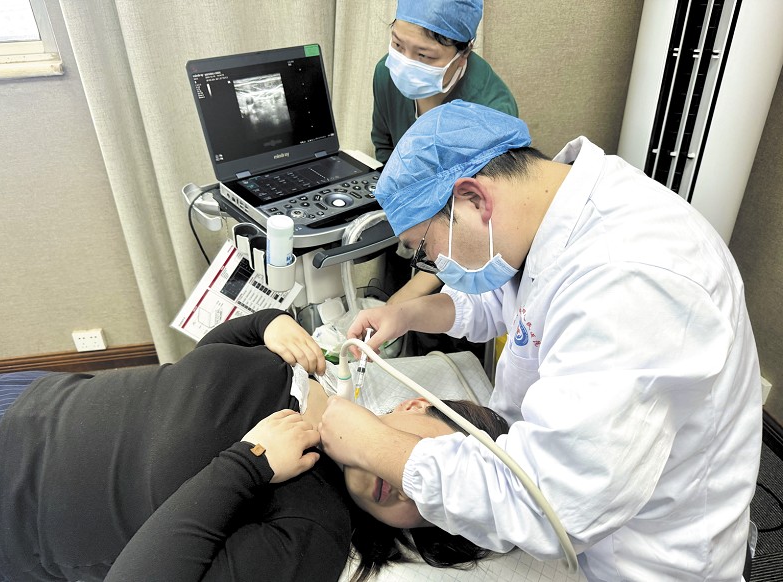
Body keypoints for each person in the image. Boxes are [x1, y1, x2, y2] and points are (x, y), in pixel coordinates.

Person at [319, 100, 763, 580]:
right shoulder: (549, 216)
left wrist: (372, 445)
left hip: (655, 560)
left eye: (425, 248)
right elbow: (508, 301)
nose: (434, 265)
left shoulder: (629, 279)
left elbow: (557, 505)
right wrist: (407, 313)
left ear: (473, 198)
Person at [0, 308, 507, 582]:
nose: (407, 485)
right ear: (412, 407)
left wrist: (244, 467)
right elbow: (193, 372)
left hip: (7, 508)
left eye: (432, 504)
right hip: (23, 399)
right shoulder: (313, 375)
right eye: (425, 464)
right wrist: (265, 323)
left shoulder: (311, 533)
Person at [374, 0, 518, 329]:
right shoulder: (387, 74)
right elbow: (385, 147)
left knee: (433, 333)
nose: (405, 63)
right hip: (409, 230)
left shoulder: (492, 111)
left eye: (424, 56)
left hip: (462, 250)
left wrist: (413, 291)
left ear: (463, 53)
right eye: (398, 44)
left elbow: (479, 222)